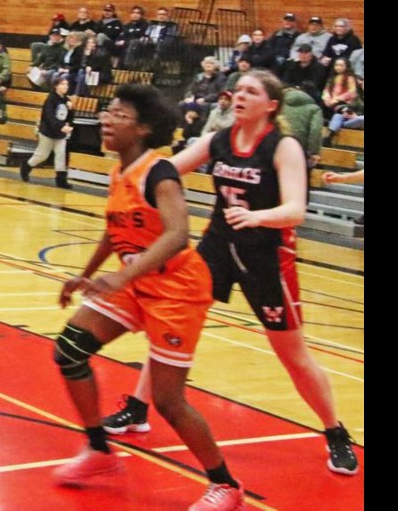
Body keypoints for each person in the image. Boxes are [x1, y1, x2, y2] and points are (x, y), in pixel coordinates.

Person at [99, 70, 359, 478]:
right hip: (216, 248)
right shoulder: (219, 138)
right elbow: (164, 170)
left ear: (270, 105)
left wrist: (257, 216)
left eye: (251, 91)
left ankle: (335, 432)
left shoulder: (282, 145)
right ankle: (137, 408)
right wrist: (133, 162)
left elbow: (295, 209)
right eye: (237, 89)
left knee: (292, 355)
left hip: (267, 255)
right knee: (171, 324)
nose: (239, 95)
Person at [53, 83, 245, 511]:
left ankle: (226, 485)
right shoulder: (119, 172)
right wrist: (83, 276)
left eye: (118, 114)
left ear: (142, 128)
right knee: (69, 350)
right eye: (107, 110)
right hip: (137, 284)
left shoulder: (159, 172)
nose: (106, 118)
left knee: (168, 402)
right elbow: (114, 228)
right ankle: (100, 451)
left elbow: (178, 235)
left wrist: (121, 278)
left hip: (177, 291)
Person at [19, 76, 74, 189]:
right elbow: (49, 117)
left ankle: (61, 181)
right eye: (63, 84)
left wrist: (71, 111)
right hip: (47, 132)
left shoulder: (67, 101)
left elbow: (68, 117)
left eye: (67, 84)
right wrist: (60, 126)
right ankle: (26, 166)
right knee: (42, 155)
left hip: (60, 134)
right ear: (55, 86)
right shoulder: (50, 99)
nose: (66, 86)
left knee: (60, 156)